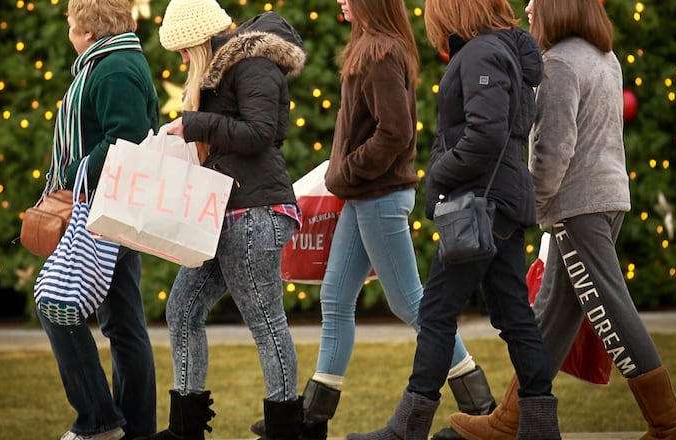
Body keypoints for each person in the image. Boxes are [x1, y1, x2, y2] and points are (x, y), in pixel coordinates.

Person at [249, 1, 497, 440]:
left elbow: (395, 132)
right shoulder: (370, 46)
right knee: (335, 296)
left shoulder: (381, 52)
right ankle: (311, 420)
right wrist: (347, 176)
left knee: (412, 303)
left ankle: (481, 406)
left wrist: (347, 171)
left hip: (379, 196)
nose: (341, 1)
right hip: (365, 196)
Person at [448, 1, 676, 439]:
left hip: (576, 206)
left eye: (535, 1)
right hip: (607, 198)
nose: (527, 8)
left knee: (613, 310)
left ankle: (666, 427)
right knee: (552, 315)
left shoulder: (556, 63)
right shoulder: (605, 57)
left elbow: (553, 150)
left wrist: (533, 205)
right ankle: (510, 419)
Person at [346, 0, 563, 439]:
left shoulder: (482, 53)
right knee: (512, 313)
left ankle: (408, 427)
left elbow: (486, 133)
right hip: (499, 201)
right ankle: (540, 425)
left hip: (479, 203)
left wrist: (440, 174)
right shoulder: (499, 51)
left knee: (438, 311)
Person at [140, 1, 307, 439]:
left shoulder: (252, 64)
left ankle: (285, 428)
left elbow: (260, 134)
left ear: (198, 42)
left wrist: (196, 124)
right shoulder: (224, 72)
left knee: (265, 321)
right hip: (223, 214)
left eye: (181, 51)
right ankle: (184, 428)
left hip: (254, 212)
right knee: (182, 310)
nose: (179, 61)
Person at [37, 1, 159, 439]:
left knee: (56, 306)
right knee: (123, 324)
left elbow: (125, 140)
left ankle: (100, 420)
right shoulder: (118, 62)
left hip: (102, 210)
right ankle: (134, 428)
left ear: (87, 31)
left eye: (71, 24)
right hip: (111, 207)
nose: (69, 31)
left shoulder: (112, 70)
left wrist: (68, 178)